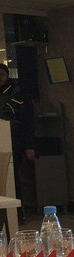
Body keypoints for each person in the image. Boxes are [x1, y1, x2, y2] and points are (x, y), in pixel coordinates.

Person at [0, 63, 35, 224]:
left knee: (14, 179)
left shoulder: (18, 93)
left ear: (7, 75)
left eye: (1, 75)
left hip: (15, 140)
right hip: (4, 139)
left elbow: (27, 120)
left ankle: (17, 214)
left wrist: (29, 145)